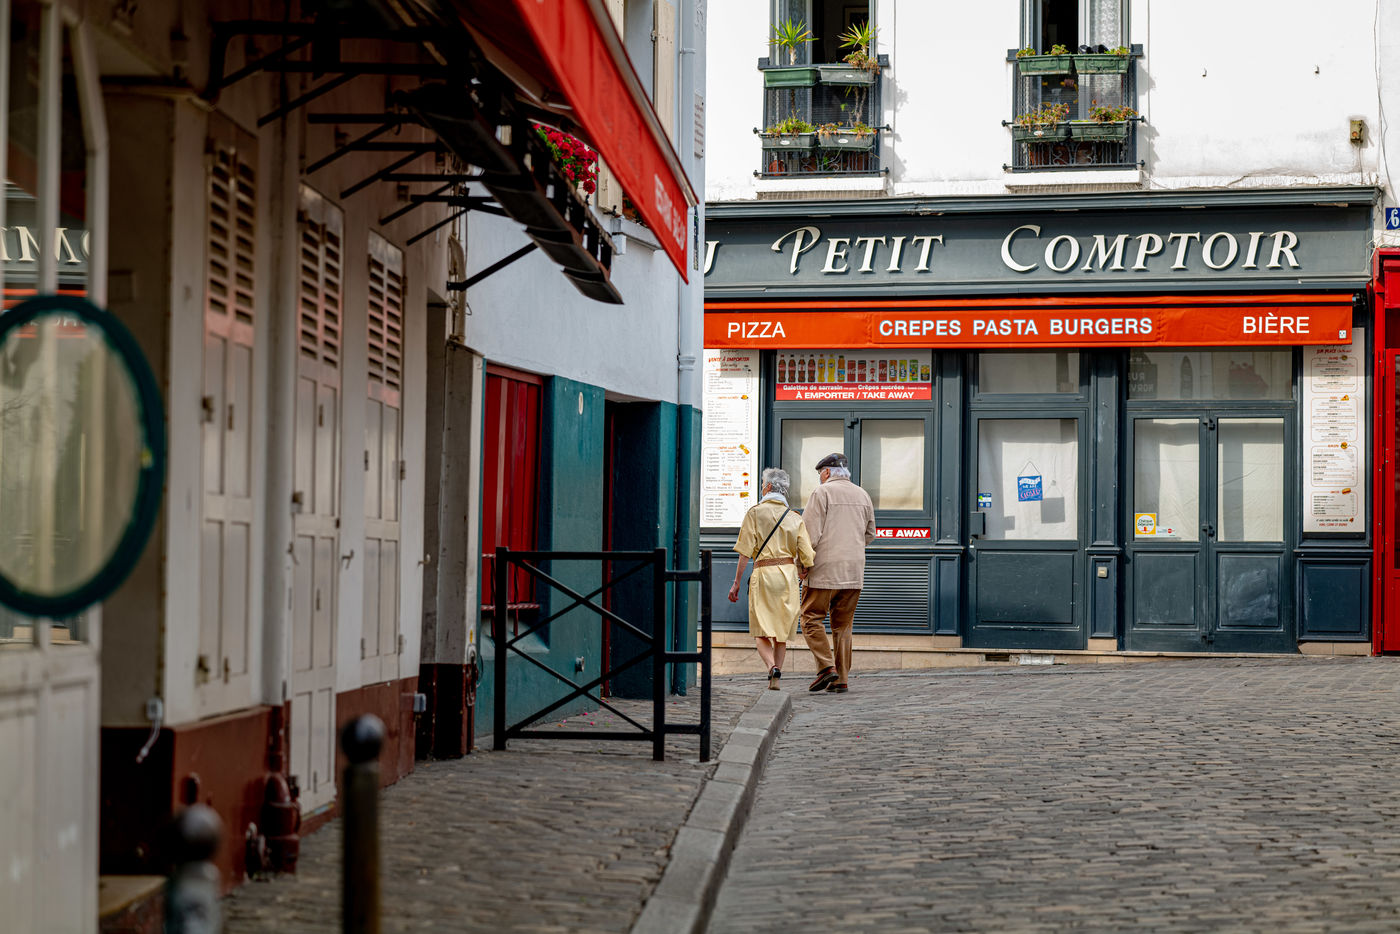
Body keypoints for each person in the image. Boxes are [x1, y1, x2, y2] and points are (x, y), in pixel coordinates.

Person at [728, 467, 815, 690]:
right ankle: (775, 681)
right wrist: (802, 569)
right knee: (781, 633)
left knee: (761, 630)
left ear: (767, 487)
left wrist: (736, 582)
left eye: (762, 485)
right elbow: (807, 554)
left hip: (763, 575)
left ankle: (771, 667)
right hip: (787, 577)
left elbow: (744, 553)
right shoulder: (794, 517)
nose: (761, 488)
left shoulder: (755, 513)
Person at [800, 453, 875, 694]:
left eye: (819, 474)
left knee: (810, 617)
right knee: (843, 625)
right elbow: (870, 533)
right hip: (853, 571)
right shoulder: (862, 494)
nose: (819, 478)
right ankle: (841, 678)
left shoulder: (822, 493)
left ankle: (826, 667)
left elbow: (809, 535)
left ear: (826, 472)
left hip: (824, 569)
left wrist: (802, 564)